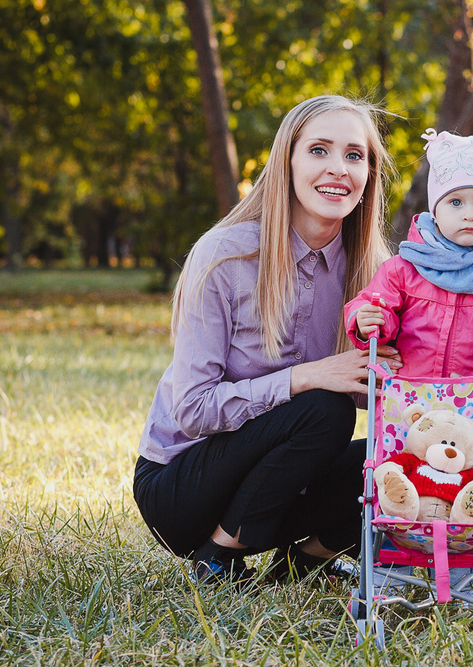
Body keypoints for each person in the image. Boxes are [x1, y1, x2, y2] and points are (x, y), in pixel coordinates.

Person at [132, 95, 403, 585]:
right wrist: (306, 378)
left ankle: (307, 560)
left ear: (369, 174)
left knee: (393, 458)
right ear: (287, 162)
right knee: (326, 410)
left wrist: (393, 381)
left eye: (354, 155)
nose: (338, 169)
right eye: (319, 150)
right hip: (181, 488)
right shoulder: (224, 257)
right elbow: (192, 409)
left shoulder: (378, 274)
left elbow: (372, 386)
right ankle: (217, 555)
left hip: (282, 481)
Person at [346, 129, 473, 378]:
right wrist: (367, 320)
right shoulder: (403, 270)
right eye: (455, 202)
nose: (470, 214)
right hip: (409, 395)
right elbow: (376, 306)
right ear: (435, 211)